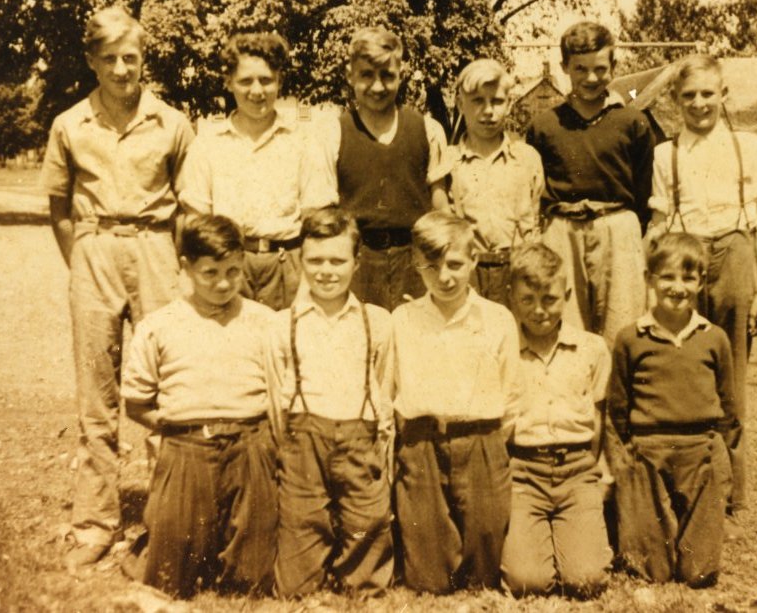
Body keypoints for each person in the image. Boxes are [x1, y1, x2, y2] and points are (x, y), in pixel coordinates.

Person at [39, 6, 195, 569]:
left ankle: (167, 520)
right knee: (96, 396)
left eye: (130, 57)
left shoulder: (172, 123)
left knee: (166, 389)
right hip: (96, 250)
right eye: (110, 59)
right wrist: (83, 259)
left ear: (143, 58)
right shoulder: (69, 124)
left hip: (156, 251)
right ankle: (95, 525)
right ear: (91, 61)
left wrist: (176, 267)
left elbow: (188, 206)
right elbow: (58, 205)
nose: (122, 69)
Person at [121, 215, 280, 599]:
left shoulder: (265, 322)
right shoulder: (159, 325)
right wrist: (179, 430)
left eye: (232, 271)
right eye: (210, 273)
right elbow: (136, 404)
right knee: (168, 578)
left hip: (250, 444)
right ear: (186, 267)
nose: (223, 283)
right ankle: (164, 538)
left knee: (254, 580)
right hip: (187, 447)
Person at [646, 53, 757, 521]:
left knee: (730, 373)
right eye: (689, 96)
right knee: (681, 366)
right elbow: (658, 223)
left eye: (707, 94)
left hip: (734, 252)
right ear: (676, 101)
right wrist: (650, 288)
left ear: (723, 94)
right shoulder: (666, 154)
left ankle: (732, 491)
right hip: (684, 257)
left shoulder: (749, 145)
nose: (699, 104)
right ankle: (686, 484)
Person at [386, 210, 520, 593]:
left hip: (481, 441)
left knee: (483, 573)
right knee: (429, 580)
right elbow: (390, 390)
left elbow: (511, 395)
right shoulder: (403, 319)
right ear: (416, 264)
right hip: (422, 444)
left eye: (455, 265)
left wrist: (489, 445)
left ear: (474, 260)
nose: (444, 277)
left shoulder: (497, 318)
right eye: (431, 267)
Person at [272, 207, 394, 597]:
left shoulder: (376, 321)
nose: (326, 271)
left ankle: (358, 574)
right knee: (295, 584)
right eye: (316, 261)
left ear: (357, 263)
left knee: (369, 528)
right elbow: (276, 401)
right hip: (305, 446)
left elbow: (383, 389)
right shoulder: (284, 323)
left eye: (337, 261)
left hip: (359, 442)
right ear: (301, 260)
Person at [607, 233, 736, 586]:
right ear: (649, 279)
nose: (677, 287)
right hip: (648, 449)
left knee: (698, 573)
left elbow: (729, 407)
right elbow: (618, 406)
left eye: (687, 278)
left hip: (700, 448)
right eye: (667, 277)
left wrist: (722, 457)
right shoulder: (631, 338)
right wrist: (628, 456)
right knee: (653, 571)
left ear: (701, 282)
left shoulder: (714, 338)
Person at [180, 32, 337, 311]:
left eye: (266, 80)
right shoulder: (207, 145)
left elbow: (317, 222)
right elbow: (196, 222)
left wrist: (308, 280)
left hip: (287, 265)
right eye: (245, 81)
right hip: (226, 269)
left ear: (280, 80)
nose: (256, 91)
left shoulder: (304, 140)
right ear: (228, 82)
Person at [527, 21, 654, 347]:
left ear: (614, 66)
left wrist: (622, 228)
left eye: (600, 68)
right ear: (564, 67)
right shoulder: (545, 125)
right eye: (580, 69)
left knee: (622, 327)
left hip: (618, 228)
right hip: (562, 231)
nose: (591, 78)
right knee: (565, 328)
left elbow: (643, 192)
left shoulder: (633, 122)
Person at [501, 243, 612, 598]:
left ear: (565, 295)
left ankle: (578, 538)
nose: (539, 310)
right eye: (527, 299)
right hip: (523, 473)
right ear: (512, 296)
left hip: (577, 471)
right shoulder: (503, 349)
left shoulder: (591, 348)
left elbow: (598, 420)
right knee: (526, 581)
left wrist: (591, 473)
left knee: (586, 580)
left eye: (549, 299)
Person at [322, 26, 451, 310]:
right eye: (367, 75)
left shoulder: (427, 129)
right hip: (358, 265)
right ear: (350, 75)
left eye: (387, 75)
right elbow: (323, 216)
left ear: (400, 74)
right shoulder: (334, 133)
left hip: (416, 263)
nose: (378, 87)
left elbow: (441, 208)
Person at [447, 58, 544, 306]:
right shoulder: (449, 161)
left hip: (517, 269)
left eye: (497, 101)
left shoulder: (527, 158)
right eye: (478, 101)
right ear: (461, 104)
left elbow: (536, 218)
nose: (488, 111)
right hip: (468, 272)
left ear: (509, 104)